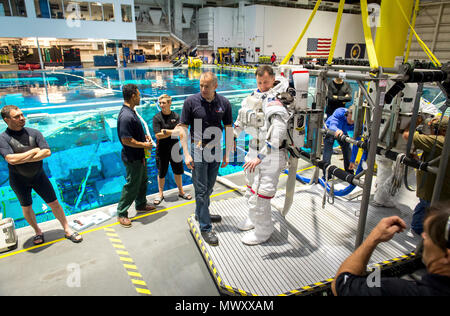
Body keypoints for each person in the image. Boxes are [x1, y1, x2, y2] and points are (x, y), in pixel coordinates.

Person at [0, 105, 82, 244]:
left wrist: (21, 158)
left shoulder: (34, 132)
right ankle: (38, 231)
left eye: (22, 114)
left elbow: (47, 152)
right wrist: (33, 151)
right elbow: (10, 159)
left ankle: (67, 229)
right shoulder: (3, 138)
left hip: (39, 176)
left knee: (54, 203)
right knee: (26, 207)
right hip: (18, 179)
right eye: (17, 116)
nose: (22, 118)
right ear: (7, 120)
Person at [332, 203, 450, 296]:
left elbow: (342, 285)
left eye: (428, 235)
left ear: (447, 255)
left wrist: (374, 236)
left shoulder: (395, 290)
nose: (423, 236)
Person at [174, 72, 234, 246]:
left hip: (215, 149)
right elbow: (183, 129)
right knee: (201, 190)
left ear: (215, 86)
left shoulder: (224, 103)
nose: (203, 89)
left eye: (206, 86)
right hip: (198, 150)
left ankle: (201, 213)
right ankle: (206, 227)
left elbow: (229, 128)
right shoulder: (191, 102)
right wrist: (186, 153)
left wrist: (227, 153)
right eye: (201, 85)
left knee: (209, 187)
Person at [233, 65, 290, 245]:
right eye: (259, 82)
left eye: (266, 82)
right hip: (254, 151)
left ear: (273, 79)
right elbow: (241, 119)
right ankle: (253, 219)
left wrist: (262, 157)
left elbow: (278, 132)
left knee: (261, 195)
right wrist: (233, 136)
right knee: (250, 189)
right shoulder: (252, 97)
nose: (263, 85)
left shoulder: (276, 101)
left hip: (270, 155)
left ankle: (263, 231)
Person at [402, 115, 450, 236]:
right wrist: (417, 160)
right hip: (442, 191)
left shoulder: (441, 141)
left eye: (434, 129)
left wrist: (414, 122)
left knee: (428, 213)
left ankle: (426, 235)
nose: (431, 132)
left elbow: (407, 135)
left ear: (443, 131)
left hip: (434, 191)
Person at [116, 84, 156, 228]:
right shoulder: (126, 116)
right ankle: (121, 213)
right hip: (133, 158)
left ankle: (141, 204)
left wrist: (142, 137)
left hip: (140, 156)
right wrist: (144, 145)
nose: (140, 97)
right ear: (133, 96)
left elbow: (132, 135)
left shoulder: (131, 112)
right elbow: (126, 140)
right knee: (132, 184)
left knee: (143, 181)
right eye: (139, 95)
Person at [152, 94, 191, 205]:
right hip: (162, 150)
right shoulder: (157, 118)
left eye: (163, 103)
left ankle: (181, 191)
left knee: (178, 171)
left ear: (170, 103)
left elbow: (180, 132)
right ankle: (160, 194)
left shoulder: (176, 116)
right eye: (160, 103)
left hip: (175, 149)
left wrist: (166, 131)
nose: (161, 105)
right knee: (161, 173)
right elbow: (158, 135)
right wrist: (172, 132)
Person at [322, 106, 357, 179]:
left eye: (354, 121)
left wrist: (352, 160)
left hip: (342, 132)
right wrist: (337, 130)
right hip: (330, 131)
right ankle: (327, 175)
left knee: (347, 149)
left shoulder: (358, 124)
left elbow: (356, 144)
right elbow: (332, 125)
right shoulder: (340, 112)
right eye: (350, 120)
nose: (352, 122)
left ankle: (349, 173)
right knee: (328, 152)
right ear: (346, 114)